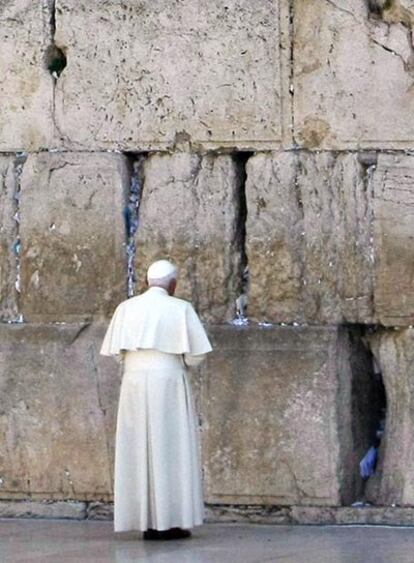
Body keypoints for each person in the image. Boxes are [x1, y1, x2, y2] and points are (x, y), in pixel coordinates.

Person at [101, 259, 212, 540]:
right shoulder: (180, 308)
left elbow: (116, 352)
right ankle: (172, 520)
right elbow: (197, 354)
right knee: (171, 447)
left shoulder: (125, 308)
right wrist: (179, 362)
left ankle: (146, 521)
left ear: (146, 282)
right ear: (173, 284)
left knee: (137, 447)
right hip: (169, 380)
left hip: (134, 383)